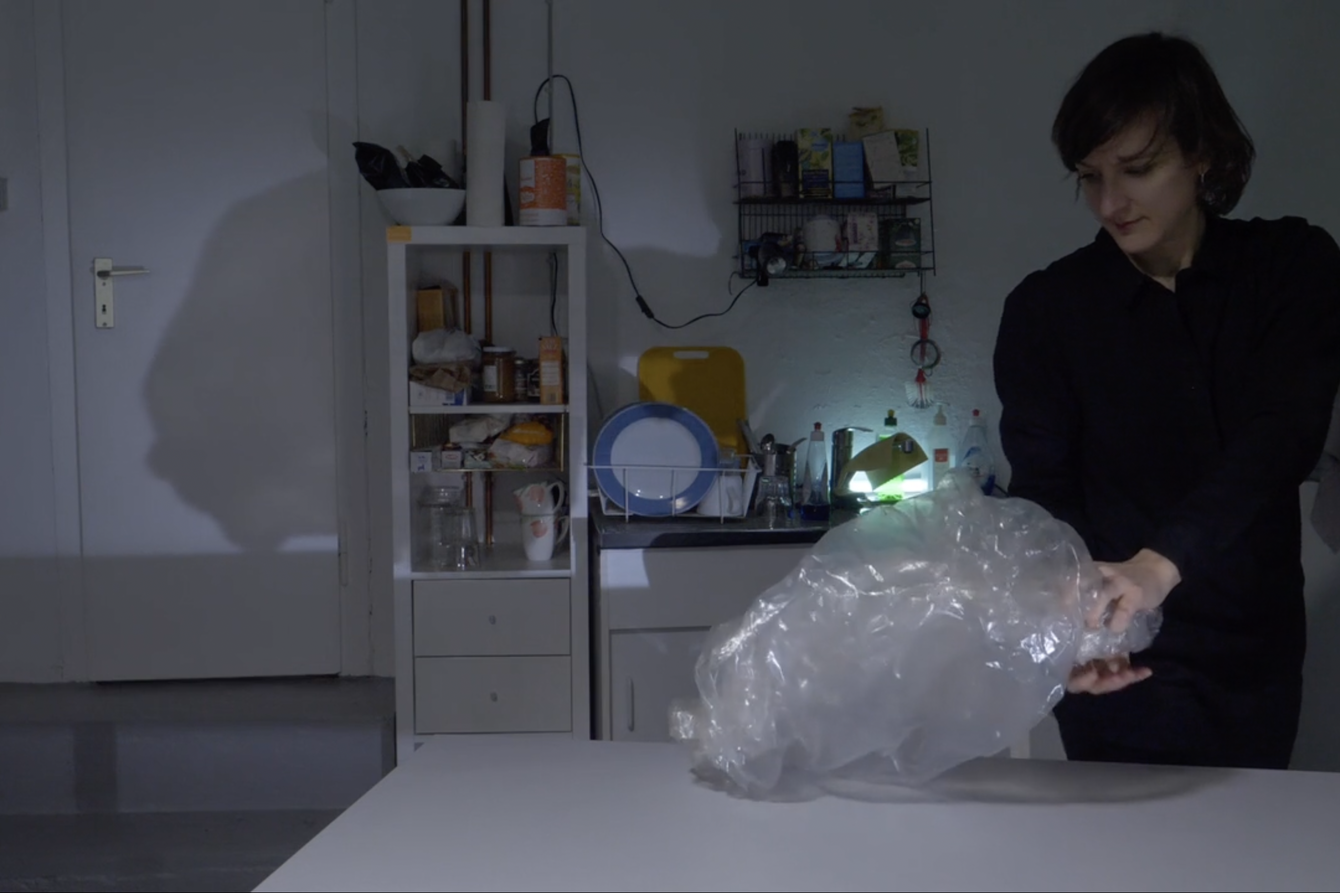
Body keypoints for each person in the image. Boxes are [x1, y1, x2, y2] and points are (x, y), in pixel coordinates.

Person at [993, 31, 1340, 770]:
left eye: (1137, 169)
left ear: (1204, 153)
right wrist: (1075, 628)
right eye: (1089, 177)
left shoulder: (1291, 267)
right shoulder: (1047, 310)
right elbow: (1044, 490)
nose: (1110, 203)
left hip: (1256, 650)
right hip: (1119, 663)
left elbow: (1283, 435)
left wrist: (1162, 563)